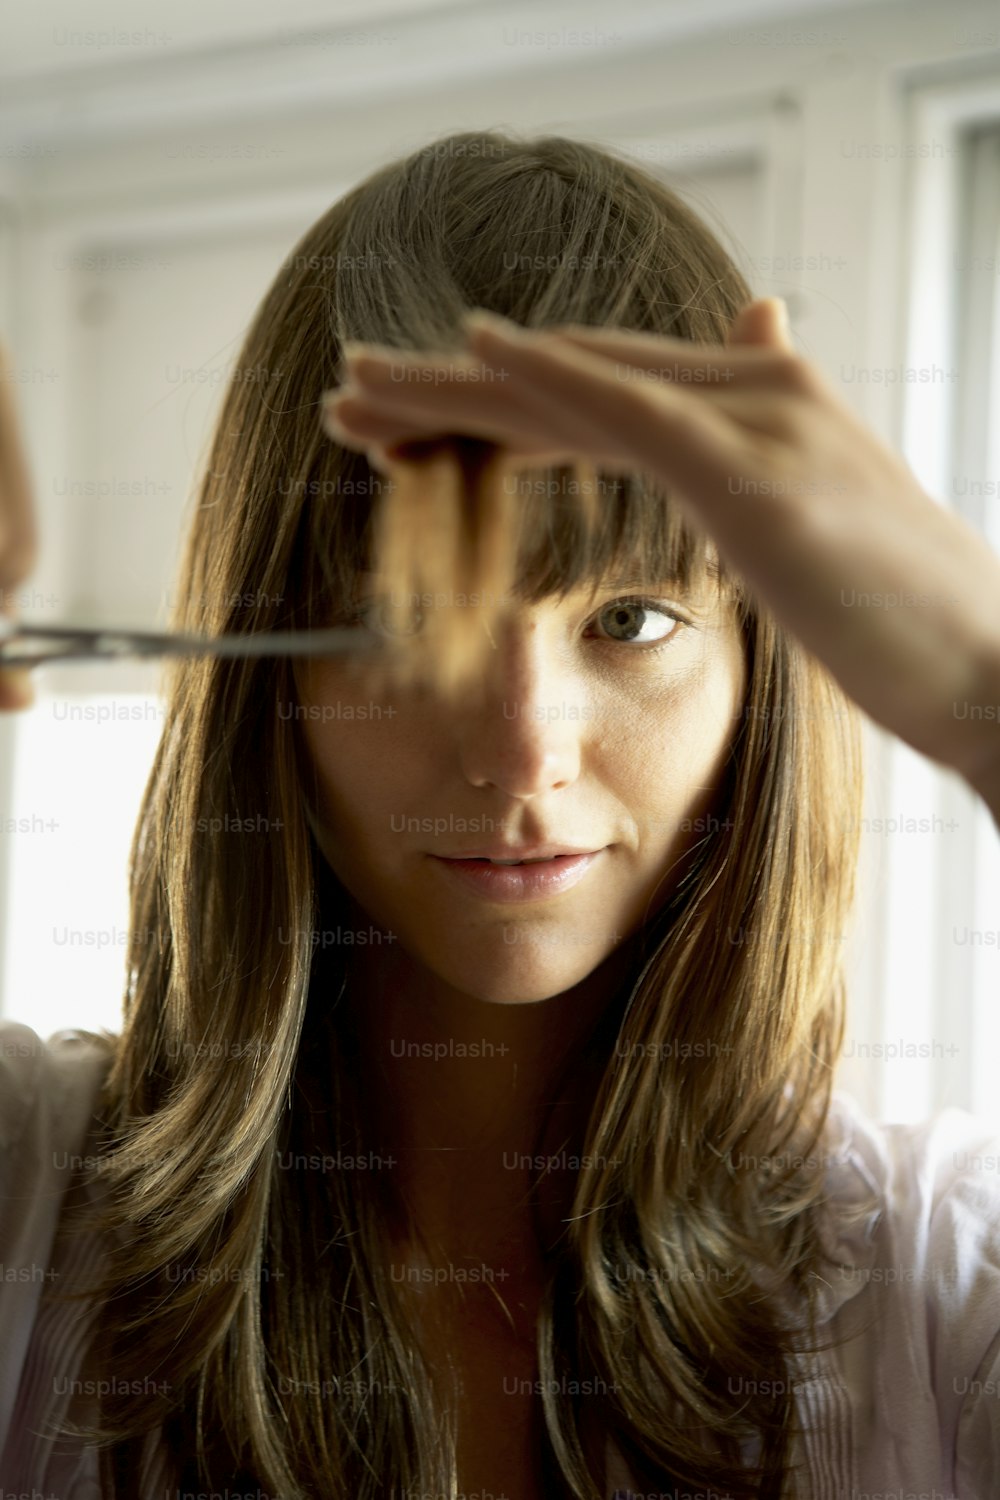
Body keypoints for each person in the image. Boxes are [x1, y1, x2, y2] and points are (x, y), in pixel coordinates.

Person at [1, 128, 999, 1500]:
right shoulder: (24, 1206)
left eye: (631, 618)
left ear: (763, 662)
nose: (525, 750)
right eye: (412, 623)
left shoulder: (944, 1298)